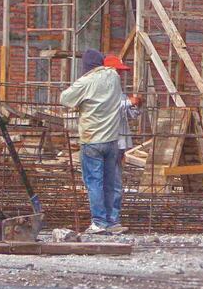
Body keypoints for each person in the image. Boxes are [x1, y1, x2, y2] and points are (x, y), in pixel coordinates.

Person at [60, 49, 125, 235]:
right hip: (112, 140)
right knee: (111, 182)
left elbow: (65, 99)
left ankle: (99, 222)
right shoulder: (114, 77)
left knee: (94, 182)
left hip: (92, 140)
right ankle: (113, 221)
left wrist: (81, 100)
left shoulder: (86, 81)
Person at [103, 54, 142, 235]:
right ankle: (108, 220)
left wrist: (136, 106)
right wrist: (128, 102)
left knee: (115, 183)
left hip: (120, 144)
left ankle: (111, 218)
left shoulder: (119, 92)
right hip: (110, 141)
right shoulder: (104, 92)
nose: (119, 75)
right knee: (111, 183)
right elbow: (109, 107)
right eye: (117, 71)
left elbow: (131, 115)